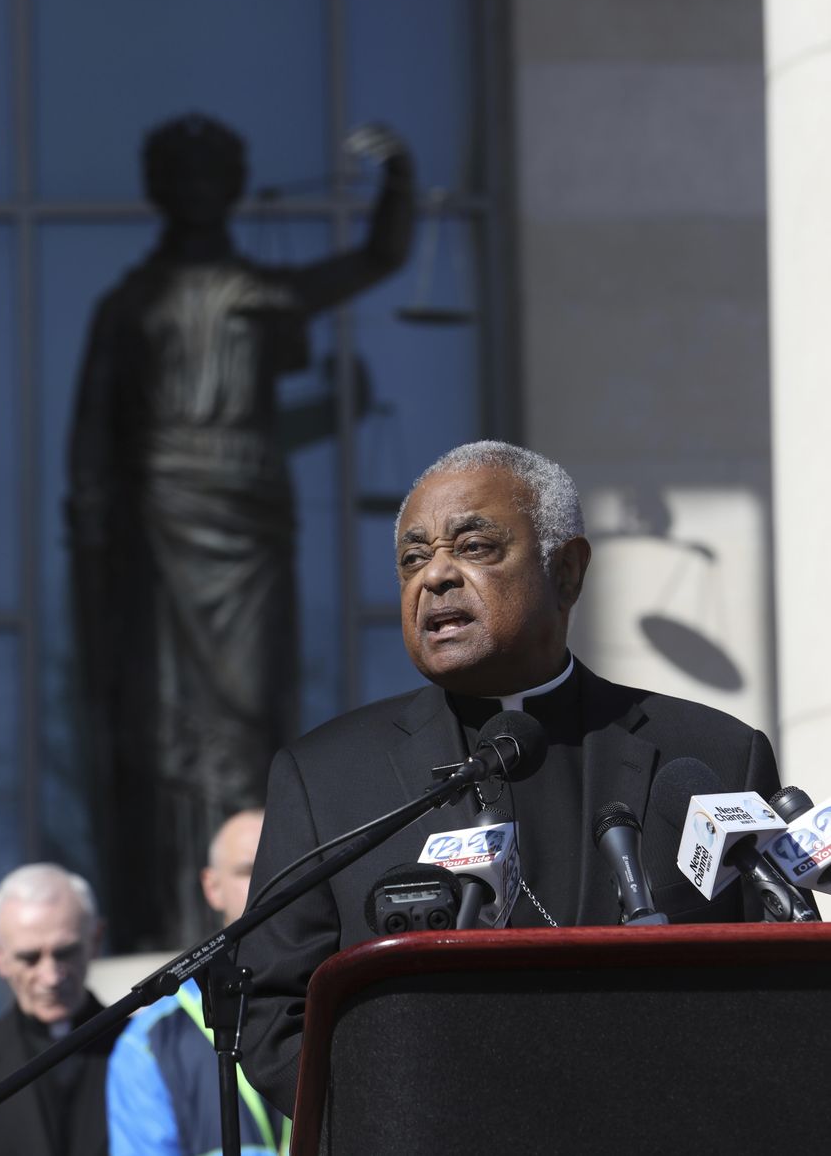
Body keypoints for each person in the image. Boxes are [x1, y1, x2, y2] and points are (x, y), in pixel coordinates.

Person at [235, 439, 785, 1117]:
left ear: (568, 571)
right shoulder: (325, 778)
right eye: (413, 558)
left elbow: (777, 993)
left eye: (474, 547)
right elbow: (273, 1014)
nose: (434, 577)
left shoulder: (711, 756)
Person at [66, 113, 415, 951]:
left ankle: (250, 905)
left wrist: (399, 180)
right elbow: (89, 446)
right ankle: (181, 909)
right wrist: (91, 551)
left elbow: (378, 258)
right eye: (179, 175)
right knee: (164, 717)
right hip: (160, 527)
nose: (196, 191)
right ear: (160, 189)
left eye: (210, 174)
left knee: (249, 707)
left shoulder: (262, 291)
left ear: (229, 186)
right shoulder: (128, 307)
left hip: (249, 521)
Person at [106, 809, 289, 1155]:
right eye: (247, 870)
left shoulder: (344, 1003)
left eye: (283, 865)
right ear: (212, 887)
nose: (267, 881)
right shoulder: (150, 1042)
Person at [0, 864, 120, 1156]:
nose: (52, 977)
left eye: (65, 953)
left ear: (95, 940)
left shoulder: (150, 1048)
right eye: (30, 958)